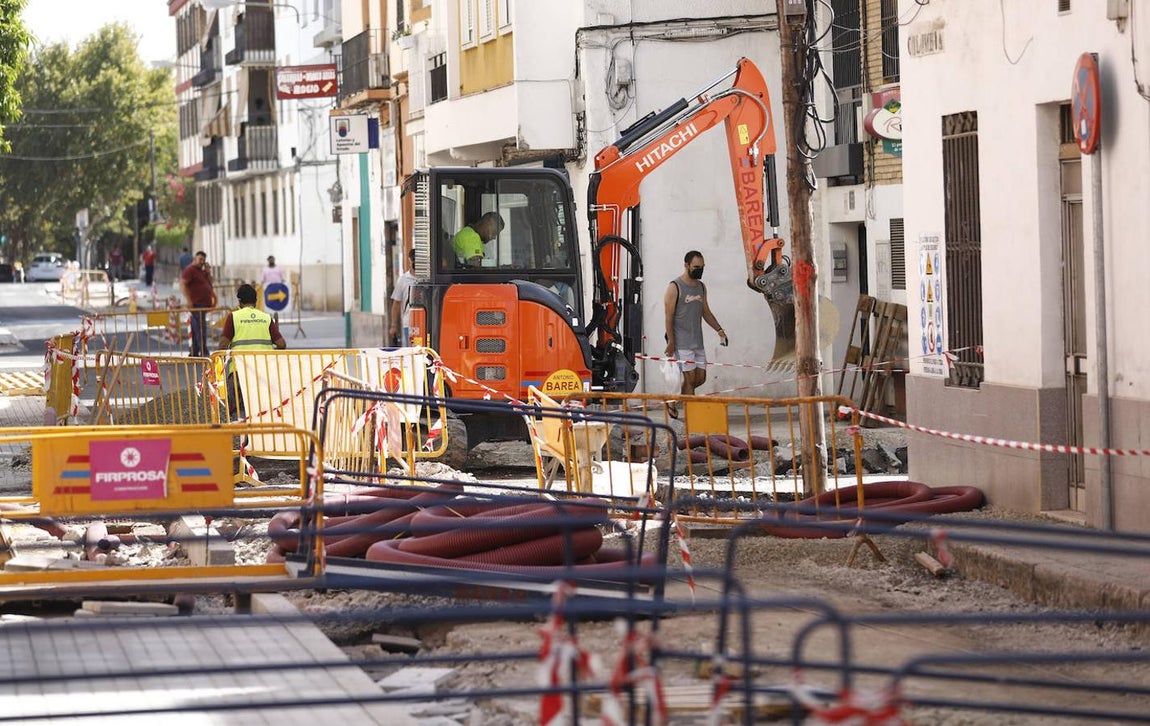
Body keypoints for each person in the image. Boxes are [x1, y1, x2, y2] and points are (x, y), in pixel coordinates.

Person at [663, 250, 727, 417]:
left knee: (700, 378)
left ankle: (672, 399)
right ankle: (693, 417)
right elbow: (668, 317)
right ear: (686, 265)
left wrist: (719, 330)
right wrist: (671, 342)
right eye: (696, 267)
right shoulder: (675, 287)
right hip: (681, 342)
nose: (700, 270)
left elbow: (706, 311)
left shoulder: (701, 287)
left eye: (702, 267)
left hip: (697, 341)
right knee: (690, 379)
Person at [219, 283, 286, 420]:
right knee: (263, 409)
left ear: (239, 301)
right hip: (263, 372)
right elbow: (281, 344)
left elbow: (222, 345)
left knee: (239, 412)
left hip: (238, 371)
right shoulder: (266, 318)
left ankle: (242, 432)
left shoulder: (234, 317)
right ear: (255, 301)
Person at [180, 251, 216, 357]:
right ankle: (203, 350)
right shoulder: (190, 270)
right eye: (200, 259)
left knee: (197, 328)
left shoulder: (202, 271)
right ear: (195, 259)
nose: (202, 262)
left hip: (203, 305)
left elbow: (211, 283)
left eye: (203, 260)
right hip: (196, 304)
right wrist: (188, 300)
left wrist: (208, 272)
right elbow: (182, 284)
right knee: (199, 329)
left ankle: (195, 351)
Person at [389, 248, 417, 346]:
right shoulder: (403, 280)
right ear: (409, 260)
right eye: (413, 260)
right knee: (412, 350)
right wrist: (393, 325)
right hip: (409, 324)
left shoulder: (427, 278)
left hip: (424, 321)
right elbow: (396, 303)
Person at [260, 255, 286, 322]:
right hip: (269, 290)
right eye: (270, 260)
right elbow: (262, 280)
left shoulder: (278, 268)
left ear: (274, 260)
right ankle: (270, 319)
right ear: (268, 261)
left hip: (278, 290)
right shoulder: (265, 269)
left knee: (277, 304)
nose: (271, 261)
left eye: (272, 259)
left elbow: (283, 278)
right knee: (269, 304)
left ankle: (276, 319)